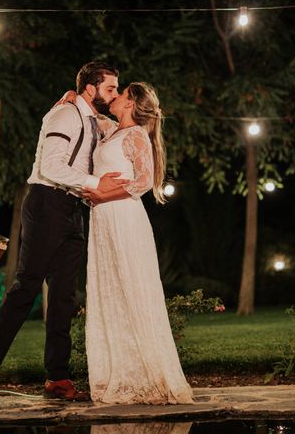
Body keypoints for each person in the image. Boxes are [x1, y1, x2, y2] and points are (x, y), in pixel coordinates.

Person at [0, 61, 128, 410]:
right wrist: (96, 184)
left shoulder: (90, 118)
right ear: (90, 88)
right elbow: (51, 166)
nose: (113, 94)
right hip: (46, 203)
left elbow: (121, 129)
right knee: (25, 289)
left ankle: (57, 377)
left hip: (72, 209)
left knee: (64, 298)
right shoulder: (64, 116)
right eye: (110, 88)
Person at [82, 82, 194, 404]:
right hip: (103, 222)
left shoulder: (135, 136)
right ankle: (115, 371)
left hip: (124, 218)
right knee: (110, 291)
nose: (113, 97)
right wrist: (72, 97)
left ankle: (147, 375)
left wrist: (102, 194)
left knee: (131, 288)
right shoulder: (113, 131)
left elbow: (144, 181)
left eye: (120, 94)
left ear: (130, 103)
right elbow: (89, 113)